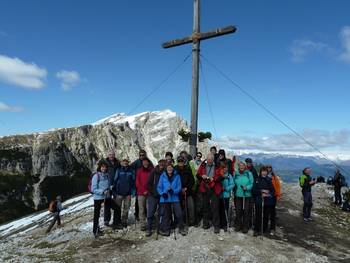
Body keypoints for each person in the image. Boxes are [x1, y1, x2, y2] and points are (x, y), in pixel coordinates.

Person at [157, 163, 187, 236]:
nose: (169, 169)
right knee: (165, 215)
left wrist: (173, 191)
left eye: (171, 168)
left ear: (173, 169)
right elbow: (159, 187)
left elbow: (179, 187)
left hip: (174, 197)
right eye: (168, 168)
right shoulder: (162, 176)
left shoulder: (177, 176)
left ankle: (181, 228)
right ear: (166, 169)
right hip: (165, 198)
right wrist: (162, 193)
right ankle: (166, 230)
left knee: (179, 213)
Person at [197, 153, 223, 234]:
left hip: (215, 189)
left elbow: (221, 177)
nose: (209, 161)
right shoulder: (203, 165)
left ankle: (216, 226)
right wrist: (202, 176)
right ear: (206, 159)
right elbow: (197, 175)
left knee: (215, 208)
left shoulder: (218, 166)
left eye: (211, 160)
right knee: (205, 207)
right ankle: (205, 224)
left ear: (213, 160)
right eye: (208, 160)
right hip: (205, 188)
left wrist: (213, 179)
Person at [92, 160, 119, 238]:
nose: (104, 168)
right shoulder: (96, 176)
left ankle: (115, 224)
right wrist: (102, 191)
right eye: (102, 167)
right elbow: (93, 189)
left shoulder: (106, 175)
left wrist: (109, 188)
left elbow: (106, 186)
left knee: (116, 208)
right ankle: (95, 231)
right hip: (98, 198)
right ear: (100, 167)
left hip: (106, 197)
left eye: (105, 167)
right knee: (96, 215)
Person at [131, 150, 153, 222]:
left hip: (149, 190)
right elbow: (130, 168)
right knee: (140, 204)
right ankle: (139, 217)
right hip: (140, 189)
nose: (142, 156)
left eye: (143, 155)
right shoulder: (136, 164)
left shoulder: (150, 166)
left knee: (148, 206)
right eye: (140, 155)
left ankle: (148, 218)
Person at [146, 159, 166, 237]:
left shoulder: (165, 172)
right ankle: (149, 228)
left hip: (162, 196)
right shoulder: (153, 172)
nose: (161, 164)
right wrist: (153, 193)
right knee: (150, 212)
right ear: (158, 163)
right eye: (160, 163)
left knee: (161, 213)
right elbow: (149, 184)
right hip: (153, 196)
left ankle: (160, 228)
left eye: (163, 163)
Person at [252, 166, 275, 236]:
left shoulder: (269, 180)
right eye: (263, 171)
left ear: (267, 172)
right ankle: (257, 229)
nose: (264, 173)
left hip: (267, 201)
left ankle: (264, 229)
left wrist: (268, 194)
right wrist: (261, 191)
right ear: (260, 172)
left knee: (266, 215)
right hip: (259, 200)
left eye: (265, 171)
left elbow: (273, 191)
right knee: (258, 215)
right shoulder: (257, 180)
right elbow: (253, 190)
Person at [113, 158, 135, 228]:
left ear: (128, 163)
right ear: (121, 163)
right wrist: (114, 191)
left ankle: (124, 221)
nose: (125, 163)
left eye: (126, 162)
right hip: (119, 193)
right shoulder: (118, 170)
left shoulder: (131, 171)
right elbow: (115, 181)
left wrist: (133, 191)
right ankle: (116, 221)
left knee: (126, 208)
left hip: (128, 193)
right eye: (124, 161)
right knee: (117, 208)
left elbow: (133, 181)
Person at [234, 162, 254, 234]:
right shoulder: (236, 174)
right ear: (238, 166)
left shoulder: (249, 174)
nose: (241, 166)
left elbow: (252, 183)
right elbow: (233, 182)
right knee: (238, 211)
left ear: (245, 166)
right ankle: (238, 225)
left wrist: (247, 187)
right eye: (240, 165)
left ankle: (245, 226)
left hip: (247, 195)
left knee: (246, 211)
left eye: (243, 165)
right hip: (238, 195)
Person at [175, 156, 195, 226]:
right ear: (177, 162)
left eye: (182, 161)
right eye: (179, 162)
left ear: (184, 162)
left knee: (191, 206)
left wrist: (186, 188)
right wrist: (180, 189)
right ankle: (180, 222)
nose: (181, 163)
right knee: (180, 208)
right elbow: (174, 181)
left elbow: (192, 180)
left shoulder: (188, 169)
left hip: (188, 191)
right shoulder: (175, 170)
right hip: (178, 192)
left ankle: (191, 222)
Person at [136, 157, 153, 231]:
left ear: (148, 162)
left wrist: (148, 190)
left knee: (150, 209)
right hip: (141, 193)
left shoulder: (151, 170)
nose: (145, 163)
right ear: (142, 163)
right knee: (142, 209)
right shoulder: (139, 171)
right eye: (144, 162)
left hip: (149, 193)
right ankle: (143, 224)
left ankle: (150, 223)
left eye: (146, 162)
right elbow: (137, 182)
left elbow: (153, 182)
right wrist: (143, 190)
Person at [104, 151, 120, 227]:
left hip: (115, 186)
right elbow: (102, 172)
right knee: (107, 203)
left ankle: (116, 220)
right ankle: (106, 220)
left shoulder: (117, 163)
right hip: (108, 186)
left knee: (117, 203)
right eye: (110, 155)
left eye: (113, 155)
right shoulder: (105, 162)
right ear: (108, 155)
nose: (111, 156)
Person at [219, 162, 234, 232]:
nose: (225, 169)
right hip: (219, 195)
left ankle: (225, 224)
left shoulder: (229, 176)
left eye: (226, 168)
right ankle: (220, 224)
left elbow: (232, 184)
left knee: (225, 209)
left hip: (226, 195)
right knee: (220, 209)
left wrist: (226, 188)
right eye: (223, 168)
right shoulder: (219, 175)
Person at [267, 165, 281, 234]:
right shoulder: (264, 176)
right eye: (267, 168)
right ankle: (266, 226)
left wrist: (278, 195)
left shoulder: (274, 177)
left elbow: (278, 186)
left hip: (273, 196)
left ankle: (272, 227)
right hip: (266, 196)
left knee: (272, 212)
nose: (268, 169)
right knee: (266, 211)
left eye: (269, 168)